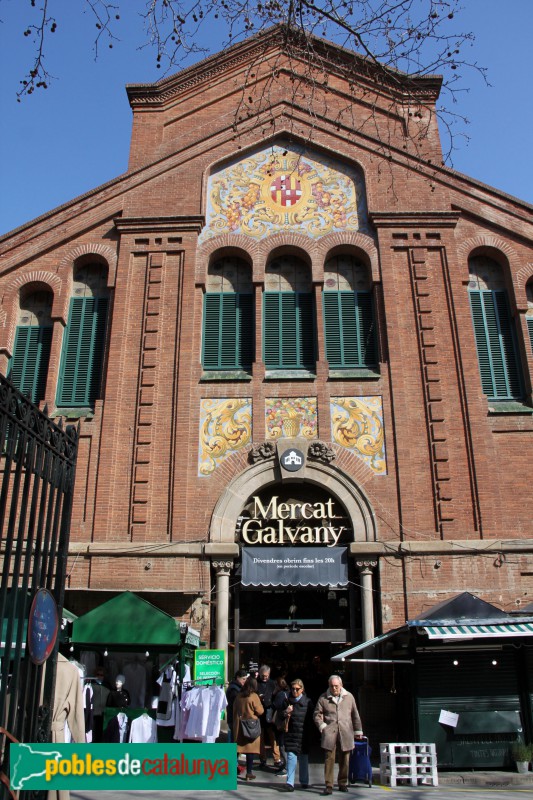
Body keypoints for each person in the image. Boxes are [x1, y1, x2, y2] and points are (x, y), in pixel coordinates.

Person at [313, 674, 363, 795]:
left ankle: (342, 783)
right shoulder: (323, 698)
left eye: (336, 686)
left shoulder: (349, 697)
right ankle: (329, 785)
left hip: (346, 732)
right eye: (332, 686)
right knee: (329, 759)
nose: (334, 688)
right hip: (330, 732)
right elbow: (316, 714)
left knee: (345, 759)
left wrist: (358, 731)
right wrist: (322, 726)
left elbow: (355, 714)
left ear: (341, 685)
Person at [280, 678, 314, 792]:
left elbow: (311, 719)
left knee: (304, 758)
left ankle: (304, 781)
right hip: (291, 734)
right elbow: (280, 716)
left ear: (302, 689)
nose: (294, 691)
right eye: (293, 689)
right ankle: (290, 783)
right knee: (291, 757)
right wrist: (286, 712)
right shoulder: (287, 701)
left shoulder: (308, 702)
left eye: (297, 689)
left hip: (303, 734)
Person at [233, 675, 264, 781]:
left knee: (238, 749)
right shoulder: (254, 696)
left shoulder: (239, 696)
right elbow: (260, 711)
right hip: (251, 726)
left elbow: (234, 709)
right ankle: (249, 773)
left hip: (239, 725)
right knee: (250, 749)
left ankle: (231, 770)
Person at [256, 664, 282, 768]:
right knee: (260, 737)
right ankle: (263, 758)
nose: (265, 678)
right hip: (259, 713)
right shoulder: (256, 683)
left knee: (273, 737)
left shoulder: (273, 683)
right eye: (263, 676)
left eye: (266, 675)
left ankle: (277, 758)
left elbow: (277, 696)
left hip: (270, 712)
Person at [226, 668, 248, 742]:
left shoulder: (237, 687)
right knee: (233, 737)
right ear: (238, 678)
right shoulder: (234, 689)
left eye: (246, 679)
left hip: (234, 716)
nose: (245, 681)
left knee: (234, 736)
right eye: (243, 679)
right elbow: (235, 704)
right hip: (233, 717)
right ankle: (231, 753)